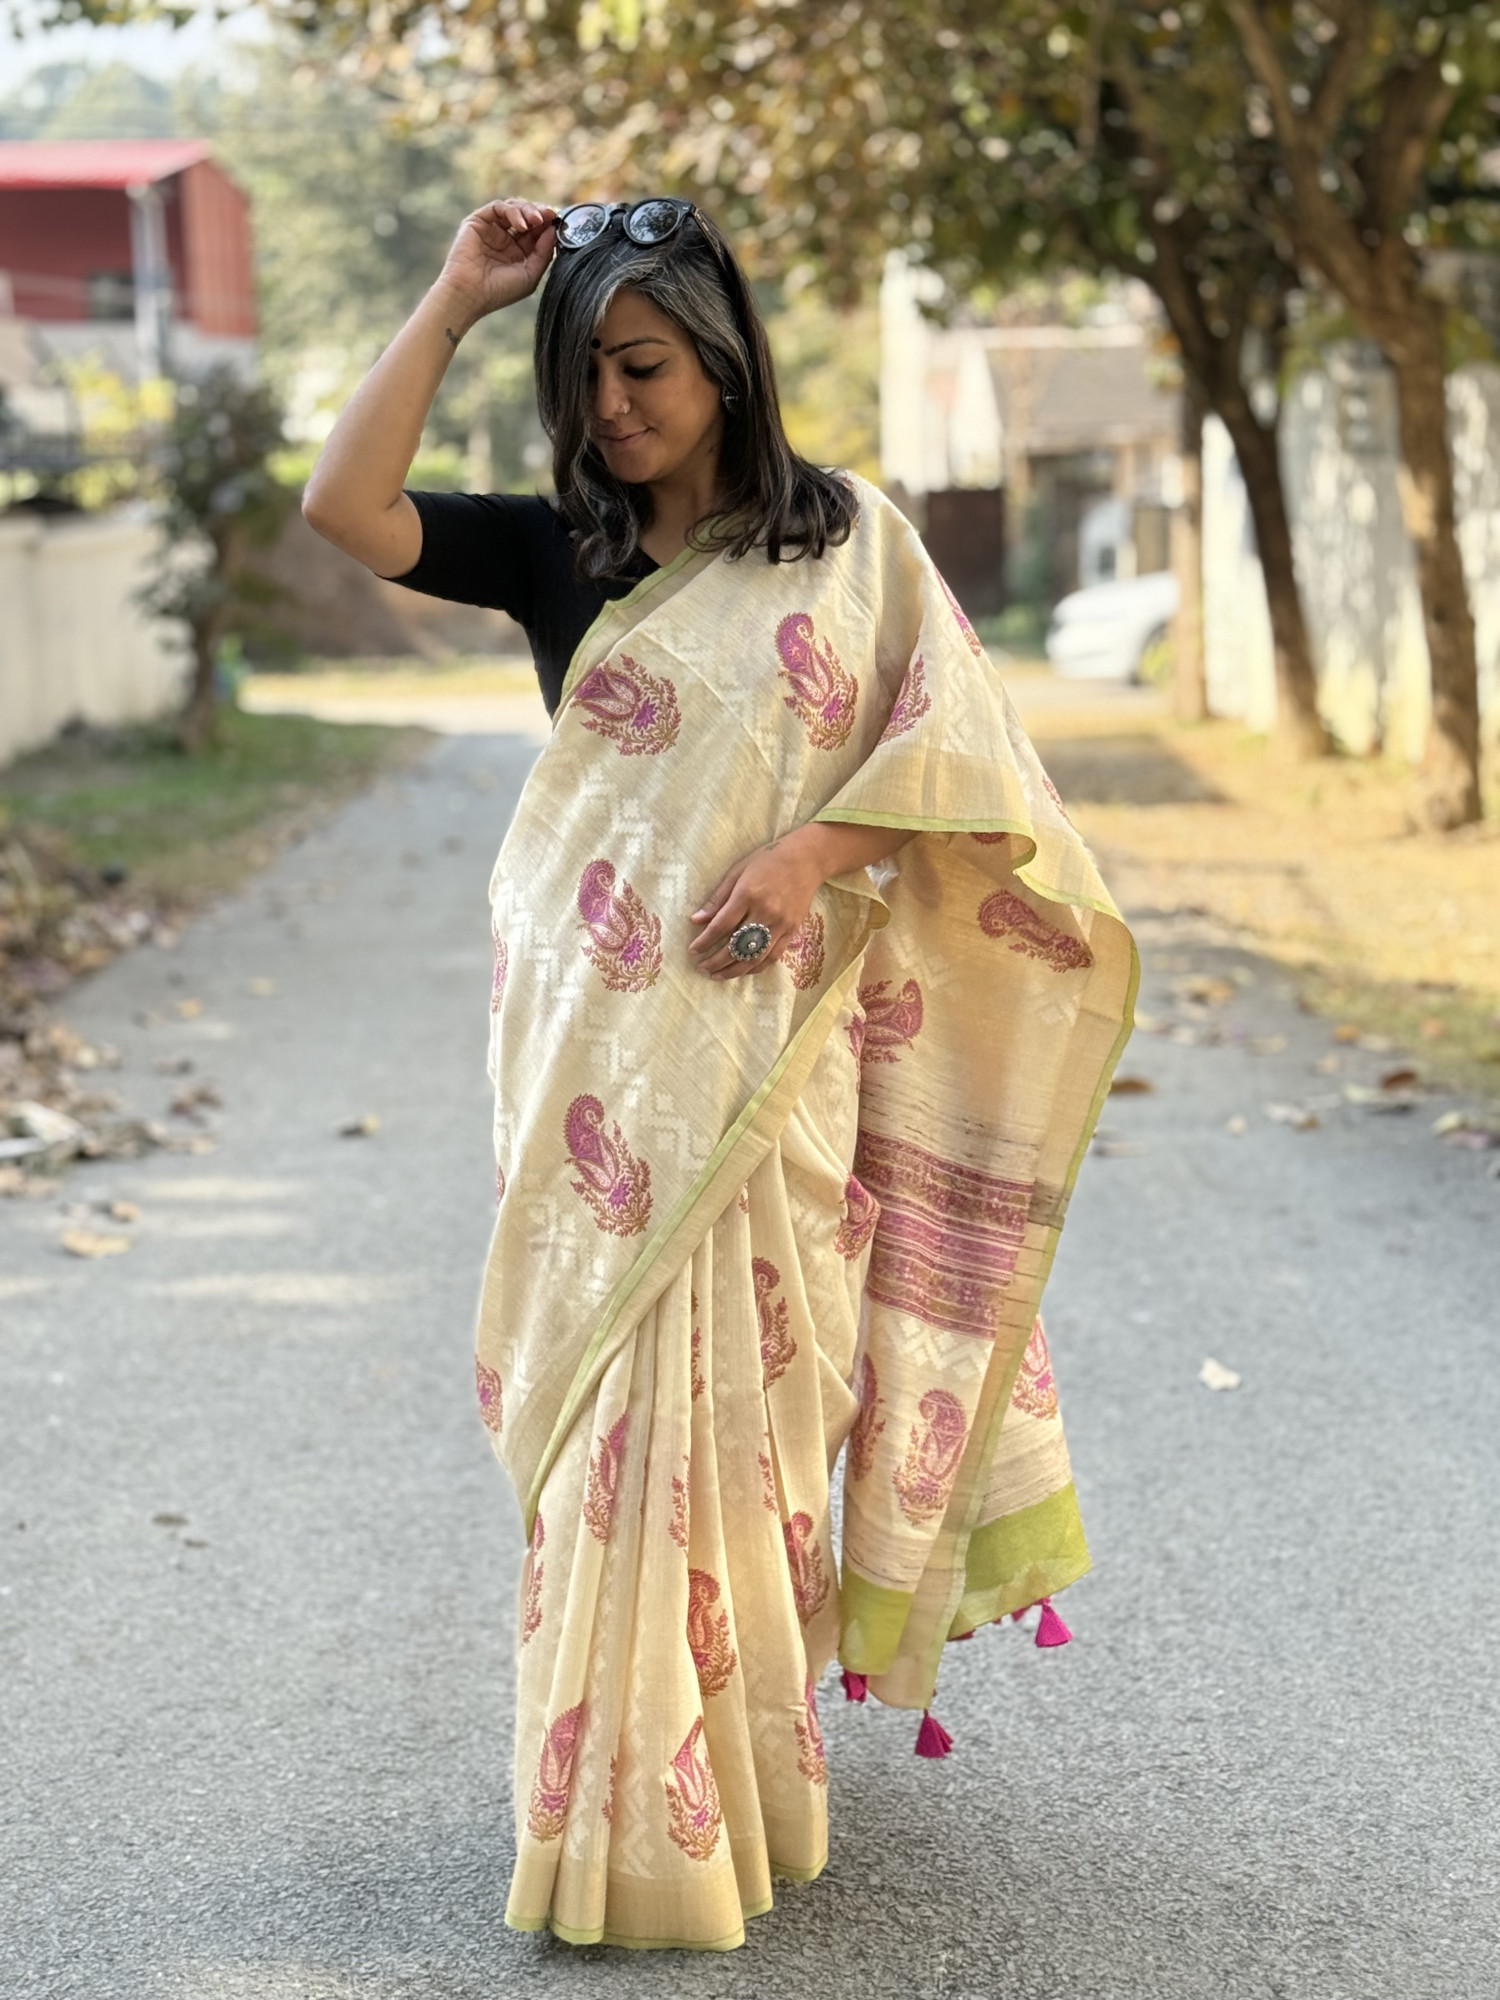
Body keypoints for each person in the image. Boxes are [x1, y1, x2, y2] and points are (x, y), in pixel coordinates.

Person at [305, 194, 1137, 1953]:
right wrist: (454, 298)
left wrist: (815, 855)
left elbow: (969, 765)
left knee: (750, 1432)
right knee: (608, 1434)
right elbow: (345, 510)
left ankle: (732, 1792)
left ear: (725, 361)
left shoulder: (852, 547)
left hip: (769, 1070)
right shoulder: (561, 554)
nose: (612, 406)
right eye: (585, 376)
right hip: (594, 1075)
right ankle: (609, 1818)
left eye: (645, 368)